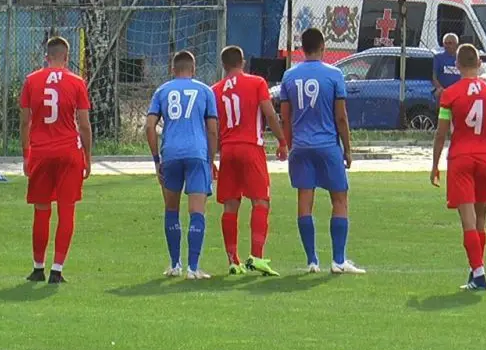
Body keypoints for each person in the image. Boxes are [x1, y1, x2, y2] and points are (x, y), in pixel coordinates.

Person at [279, 28, 365, 275]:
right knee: (339, 198)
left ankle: (312, 261)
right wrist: (347, 149)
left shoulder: (289, 76)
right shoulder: (334, 74)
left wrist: (289, 144)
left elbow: (285, 117)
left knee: (305, 200)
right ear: (323, 46)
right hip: (327, 146)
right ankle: (338, 260)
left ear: (302, 48)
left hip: (301, 146)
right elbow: (341, 116)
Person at [430, 44, 486, 291]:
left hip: (461, 159)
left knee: (468, 220)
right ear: (479, 63)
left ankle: (479, 274)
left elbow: (441, 133)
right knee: (481, 217)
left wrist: (434, 164)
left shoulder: (450, 94)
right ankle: (476, 272)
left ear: (457, 65)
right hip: (485, 158)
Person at [19, 36, 93, 284]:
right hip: (68, 152)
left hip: (41, 152)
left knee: (41, 210)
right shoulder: (77, 82)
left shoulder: (31, 80)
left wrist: (26, 154)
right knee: (66, 209)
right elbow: (84, 124)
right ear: (67, 57)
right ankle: (57, 270)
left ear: (46, 57)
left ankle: (37, 268)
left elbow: (25, 122)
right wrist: (88, 157)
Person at [211, 45, 289, 276]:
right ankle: (256, 256)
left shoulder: (215, 90)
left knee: (230, 204)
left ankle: (232, 260)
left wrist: (211, 156)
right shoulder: (257, 83)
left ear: (223, 65)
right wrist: (282, 141)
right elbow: (269, 113)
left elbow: (213, 127)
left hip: (228, 149)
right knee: (260, 201)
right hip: (250, 147)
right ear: (242, 62)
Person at [146, 50, 220, 279]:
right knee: (197, 210)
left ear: (172, 69)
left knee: (171, 209)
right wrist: (211, 159)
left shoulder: (162, 91)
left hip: (170, 154)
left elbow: (149, 126)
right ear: (194, 69)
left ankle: (175, 264)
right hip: (197, 153)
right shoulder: (205, 91)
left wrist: (156, 158)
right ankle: (193, 268)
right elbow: (212, 130)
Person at [431, 33, 462, 100]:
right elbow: (434, 77)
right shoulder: (438, 57)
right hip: (443, 90)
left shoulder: (462, 58)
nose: (447, 46)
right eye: (445, 43)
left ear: (456, 44)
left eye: (450, 43)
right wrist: (440, 88)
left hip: (458, 91)